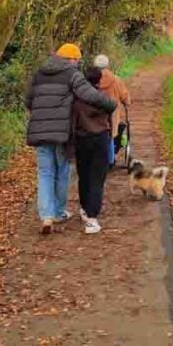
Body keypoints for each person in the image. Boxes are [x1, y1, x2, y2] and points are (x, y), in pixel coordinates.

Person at [25, 43, 115, 234]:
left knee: (45, 173)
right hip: (62, 132)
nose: (77, 64)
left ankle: (47, 216)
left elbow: (28, 101)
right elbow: (89, 95)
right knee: (62, 170)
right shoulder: (72, 74)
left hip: (39, 131)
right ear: (72, 59)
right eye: (77, 60)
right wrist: (110, 104)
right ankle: (58, 211)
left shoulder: (39, 74)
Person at [72, 65, 114, 234]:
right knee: (97, 177)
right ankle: (92, 217)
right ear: (99, 80)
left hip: (82, 138)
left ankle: (84, 207)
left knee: (84, 175)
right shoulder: (102, 98)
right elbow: (111, 109)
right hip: (100, 138)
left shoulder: (77, 99)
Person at [93, 54, 131, 168]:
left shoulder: (92, 79)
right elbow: (125, 96)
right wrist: (126, 102)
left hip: (96, 113)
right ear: (107, 65)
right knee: (111, 135)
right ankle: (110, 160)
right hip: (113, 114)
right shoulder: (115, 79)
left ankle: (99, 158)